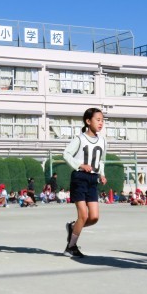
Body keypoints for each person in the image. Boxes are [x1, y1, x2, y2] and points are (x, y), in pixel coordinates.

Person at [62, 107, 107, 258]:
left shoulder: (103, 141)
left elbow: (101, 160)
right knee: (83, 215)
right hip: (79, 178)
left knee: (93, 217)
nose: (101, 123)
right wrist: (80, 165)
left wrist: (102, 174)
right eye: (98, 120)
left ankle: (72, 227)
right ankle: (71, 247)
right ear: (88, 121)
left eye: (102, 120)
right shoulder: (80, 139)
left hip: (93, 179)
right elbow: (66, 154)